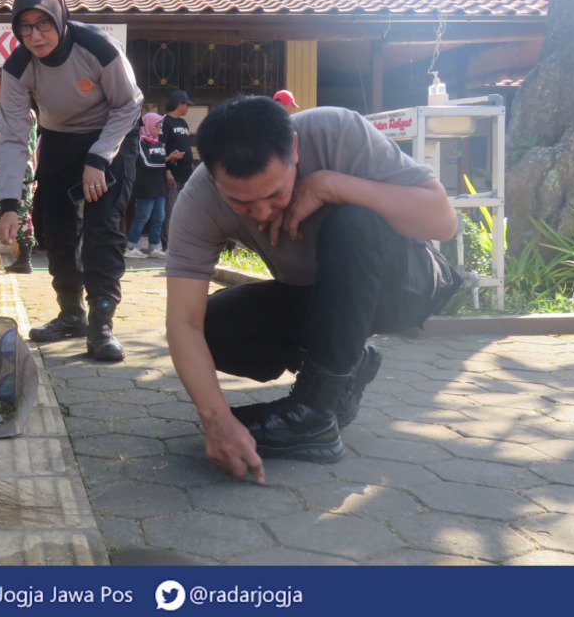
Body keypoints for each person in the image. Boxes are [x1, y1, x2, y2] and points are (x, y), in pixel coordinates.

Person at [165, 96, 460, 482]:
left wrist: (333, 185)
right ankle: (346, 365)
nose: (262, 213)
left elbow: (442, 221)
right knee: (212, 325)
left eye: (274, 193)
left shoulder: (337, 132)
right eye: (240, 202)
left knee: (354, 222)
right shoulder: (198, 202)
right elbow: (183, 321)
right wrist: (216, 420)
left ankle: (314, 414)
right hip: (321, 301)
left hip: (404, 288)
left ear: (296, 149)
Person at [0, 0, 143, 363]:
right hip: (60, 140)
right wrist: (9, 203)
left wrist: (98, 158)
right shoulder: (17, 67)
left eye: (43, 23)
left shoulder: (97, 46)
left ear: (59, 18)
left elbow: (129, 105)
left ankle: (101, 324)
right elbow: (11, 135)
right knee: (54, 226)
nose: (35, 35)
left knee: (102, 227)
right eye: (25, 27)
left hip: (113, 134)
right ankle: (72, 313)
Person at [0, 66, 38, 274]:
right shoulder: (29, 110)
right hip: (26, 169)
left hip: (1, 167)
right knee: (24, 212)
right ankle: (24, 258)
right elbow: (33, 146)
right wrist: (34, 171)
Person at [124, 112, 168, 259]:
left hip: (159, 187)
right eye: (158, 125)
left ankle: (154, 247)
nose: (160, 129)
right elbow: (146, 163)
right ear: (149, 125)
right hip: (145, 187)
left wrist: (167, 159)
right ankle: (131, 246)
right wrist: (167, 159)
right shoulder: (141, 142)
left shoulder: (158, 142)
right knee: (142, 216)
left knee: (159, 217)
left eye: (161, 125)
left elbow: (161, 162)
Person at [160, 90, 194, 251]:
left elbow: (186, 145)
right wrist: (167, 170)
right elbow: (162, 148)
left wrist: (191, 165)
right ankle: (168, 244)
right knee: (171, 210)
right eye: (187, 104)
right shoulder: (165, 122)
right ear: (179, 104)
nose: (188, 108)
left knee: (186, 210)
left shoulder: (183, 123)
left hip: (187, 172)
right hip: (172, 173)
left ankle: (183, 242)